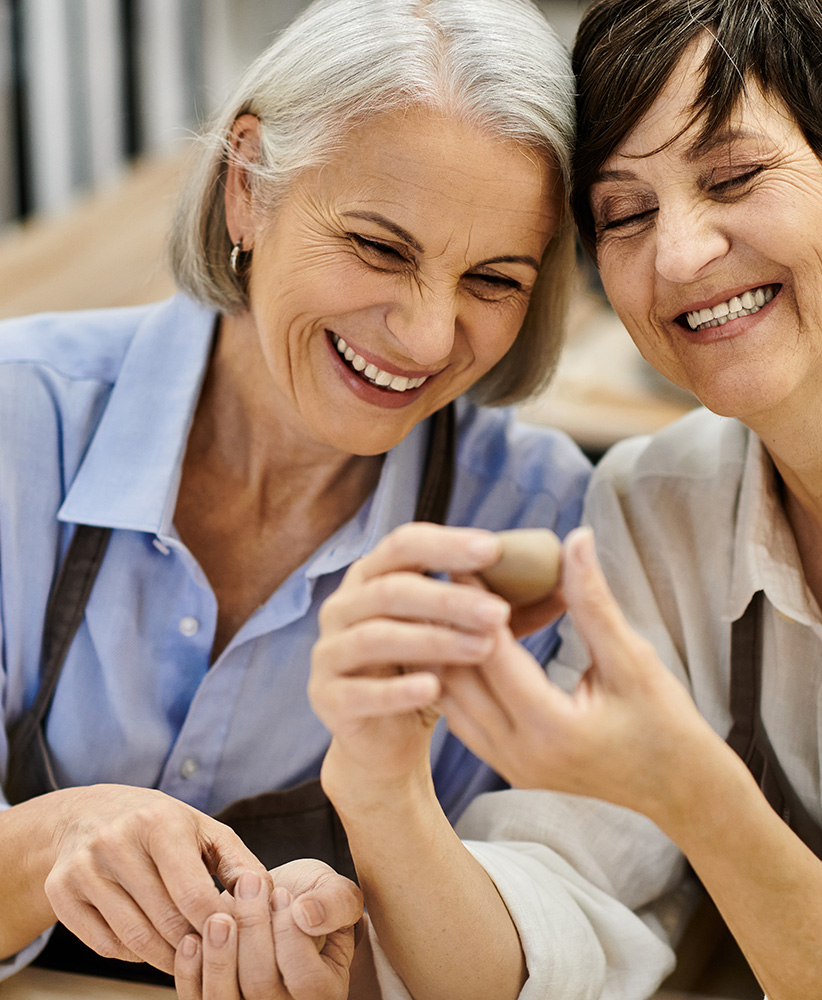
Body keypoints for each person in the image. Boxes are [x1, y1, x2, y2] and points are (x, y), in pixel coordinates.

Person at [314, 0, 822, 997]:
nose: (676, 257)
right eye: (625, 214)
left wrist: (697, 795)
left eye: (734, 177)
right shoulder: (651, 507)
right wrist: (382, 795)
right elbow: (560, 911)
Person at [0, 0, 593, 996]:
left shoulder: (533, 525)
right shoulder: (21, 421)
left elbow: (535, 941)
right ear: (247, 189)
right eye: (377, 246)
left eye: (492, 279)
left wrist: (357, 960)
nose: (423, 335)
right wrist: (53, 841)